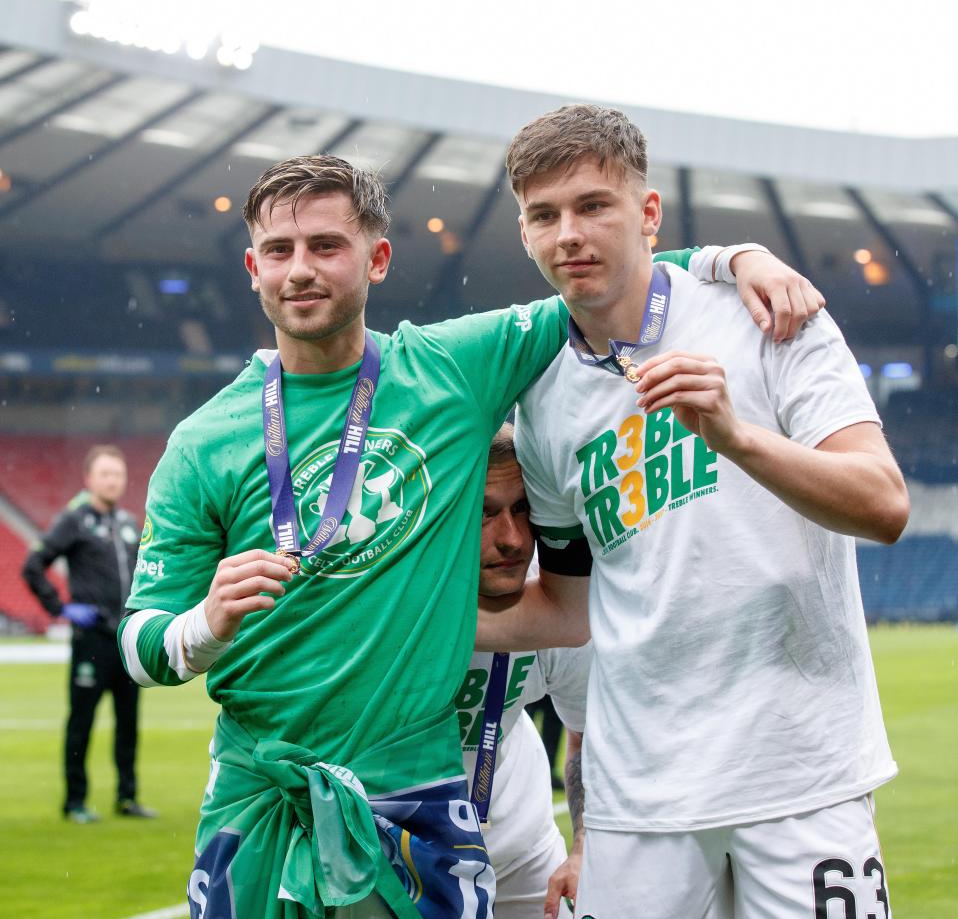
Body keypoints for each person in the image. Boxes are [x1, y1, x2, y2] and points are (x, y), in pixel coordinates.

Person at [117, 153, 822, 919]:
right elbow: (140, 642)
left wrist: (733, 257)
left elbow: (603, 280)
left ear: (376, 258)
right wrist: (204, 626)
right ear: (253, 267)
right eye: (280, 252)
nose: (301, 270)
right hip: (260, 797)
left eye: (327, 246)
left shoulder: (452, 367)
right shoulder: (202, 442)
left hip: (412, 791)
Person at [477, 104, 910, 918]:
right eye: (544, 215)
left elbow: (884, 504)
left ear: (647, 214)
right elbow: (569, 612)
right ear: (526, 235)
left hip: (798, 775)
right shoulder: (544, 401)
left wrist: (735, 437)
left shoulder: (769, 317)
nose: (569, 232)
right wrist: (376, 616)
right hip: (639, 803)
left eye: (593, 205)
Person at [462, 424, 590, 919]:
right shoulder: (385, 594)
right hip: (394, 852)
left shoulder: (557, 599)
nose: (513, 539)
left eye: (524, 509)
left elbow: (588, 731)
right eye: (484, 513)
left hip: (522, 850)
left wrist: (583, 846)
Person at [22, 444, 157, 823]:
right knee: (82, 721)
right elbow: (34, 566)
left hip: (126, 641)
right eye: (105, 474)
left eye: (117, 474)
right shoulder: (74, 521)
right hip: (92, 642)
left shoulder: (131, 525)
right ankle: (75, 801)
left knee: (128, 722)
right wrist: (61, 608)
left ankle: (127, 797)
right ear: (90, 479)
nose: (113, 480)